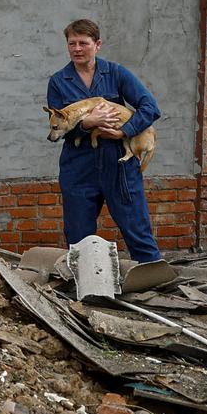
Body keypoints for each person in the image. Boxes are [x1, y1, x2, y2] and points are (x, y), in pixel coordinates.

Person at [46, 19, 163, 263]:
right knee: (78, 237)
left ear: (97, 44)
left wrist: (125, 131)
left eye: (83, 43)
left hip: (117, 164)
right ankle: (86, 291)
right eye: (72, 43)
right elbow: (60, 127)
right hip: (79, 166)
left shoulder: (116, 73)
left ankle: (154, 281)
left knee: (138, 231)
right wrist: (86, 125)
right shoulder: (58, 82)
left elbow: (150, 107)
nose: (77, 49)